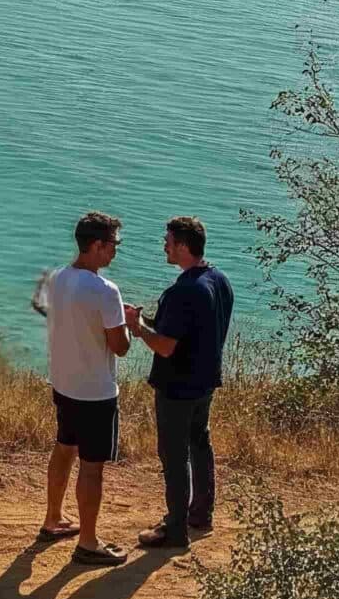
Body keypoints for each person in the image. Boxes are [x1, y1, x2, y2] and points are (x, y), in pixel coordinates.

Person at [125, 216, 234, 549]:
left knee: (173, 456)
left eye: (169, 241)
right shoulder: (219, 280)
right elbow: (187, 330)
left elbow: (167, 346)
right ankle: (200, 513)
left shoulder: (183, 291)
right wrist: (146, 320)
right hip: (204, 382)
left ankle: (175, 529)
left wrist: (138, 328)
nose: (164, 246)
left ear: (184, 246)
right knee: (199, 444)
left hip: (177, 388)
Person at [32, 210, 132, 565]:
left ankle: (53, 519)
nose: (115, 252)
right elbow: (120, 346)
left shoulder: (55, 278)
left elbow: (45, 308)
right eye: (113, 245)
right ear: (96, 245)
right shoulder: (107, 291)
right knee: (92, 467)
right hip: (95, 391)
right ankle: (88, 542)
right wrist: (126, 321)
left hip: (63, 382)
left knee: (63, 449)